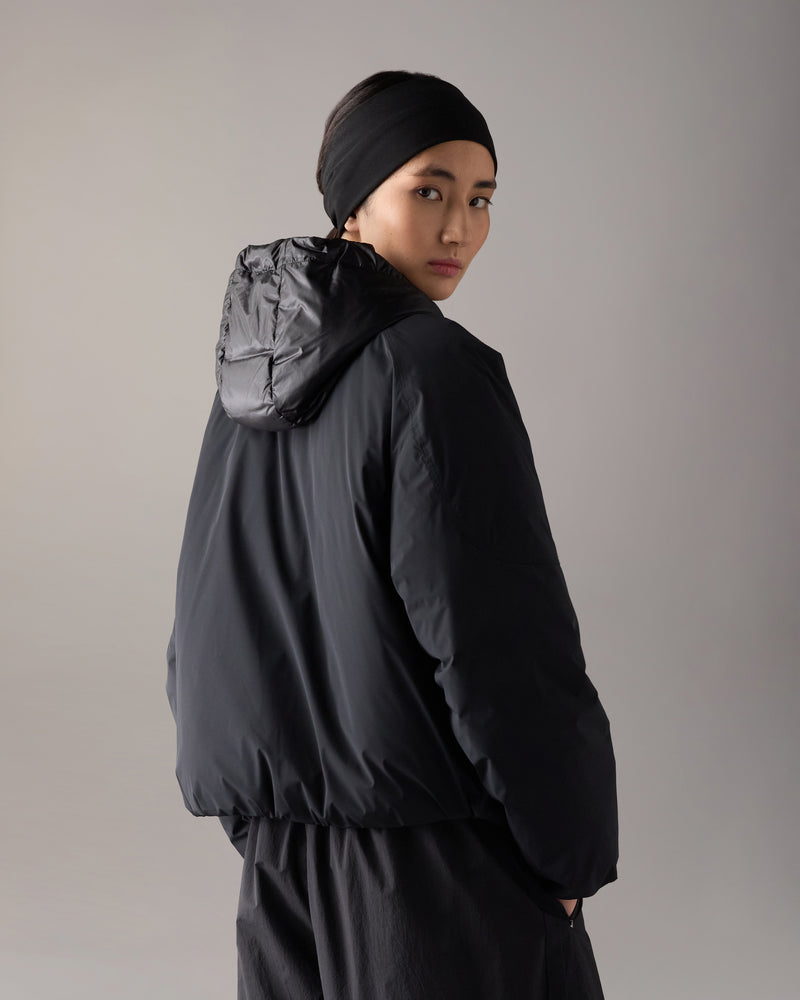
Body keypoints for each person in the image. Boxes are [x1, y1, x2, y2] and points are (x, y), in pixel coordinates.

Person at [166, 70, 619, 999]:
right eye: (429, 191)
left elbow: (202, 629)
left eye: (480, 199)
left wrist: (267, 822)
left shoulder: (248, 383)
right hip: (438, 875)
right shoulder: (435, 369)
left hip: (284, 869)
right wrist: (568, 853)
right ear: (354, 202)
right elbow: (501, 644)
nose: (460, 230)